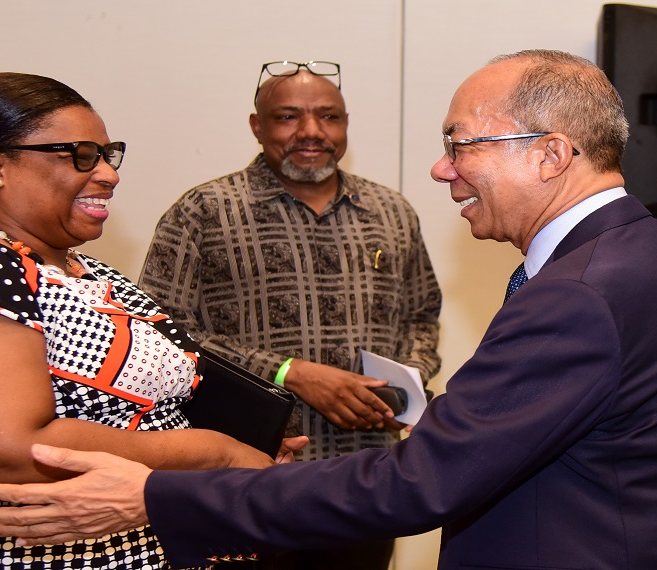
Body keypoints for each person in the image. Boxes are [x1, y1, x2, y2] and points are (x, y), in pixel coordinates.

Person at [0, 50, 657, 569]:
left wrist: (150, 494)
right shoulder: (636, 255)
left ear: (550, 154)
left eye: (463, 144)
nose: (442, 168)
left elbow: (418, 484)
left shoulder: (583, 289)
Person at [0, 72, 303, 570]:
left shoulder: (81, 269)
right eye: (80, 155)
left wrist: (245, 441)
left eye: (106, 154)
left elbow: (124, 410)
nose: (108, 174)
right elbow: (3, 452)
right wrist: (213, 454)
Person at [135, 60, 442, 569]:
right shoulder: (204, 211)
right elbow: (159, 330)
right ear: (257, 126)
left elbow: (422, 314)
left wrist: (403, 387)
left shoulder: (392, 211)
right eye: (288, 118)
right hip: (250, 474)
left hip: (367, 474)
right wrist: (289, 373)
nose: (311, 133)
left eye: (329, 117)